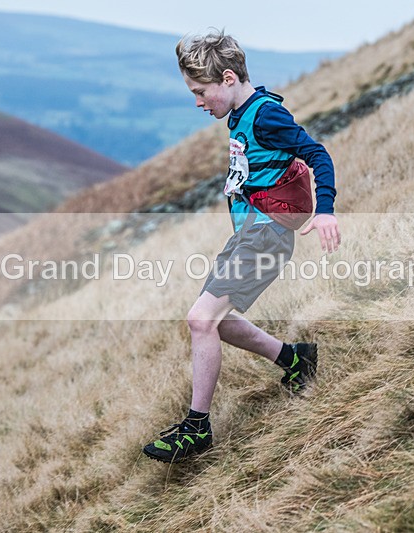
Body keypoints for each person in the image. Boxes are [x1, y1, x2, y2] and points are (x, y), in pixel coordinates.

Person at [142, 29, 340, 463]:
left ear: (228, 78)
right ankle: (295, 359)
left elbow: (318, 154)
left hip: (265, 237)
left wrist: (324, 209)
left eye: (200, 91)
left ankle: (196, 428)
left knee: (200, 320)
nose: (197, 101)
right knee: (219, 323)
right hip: (249, 236)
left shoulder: (265, 115)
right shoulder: (240, 111)